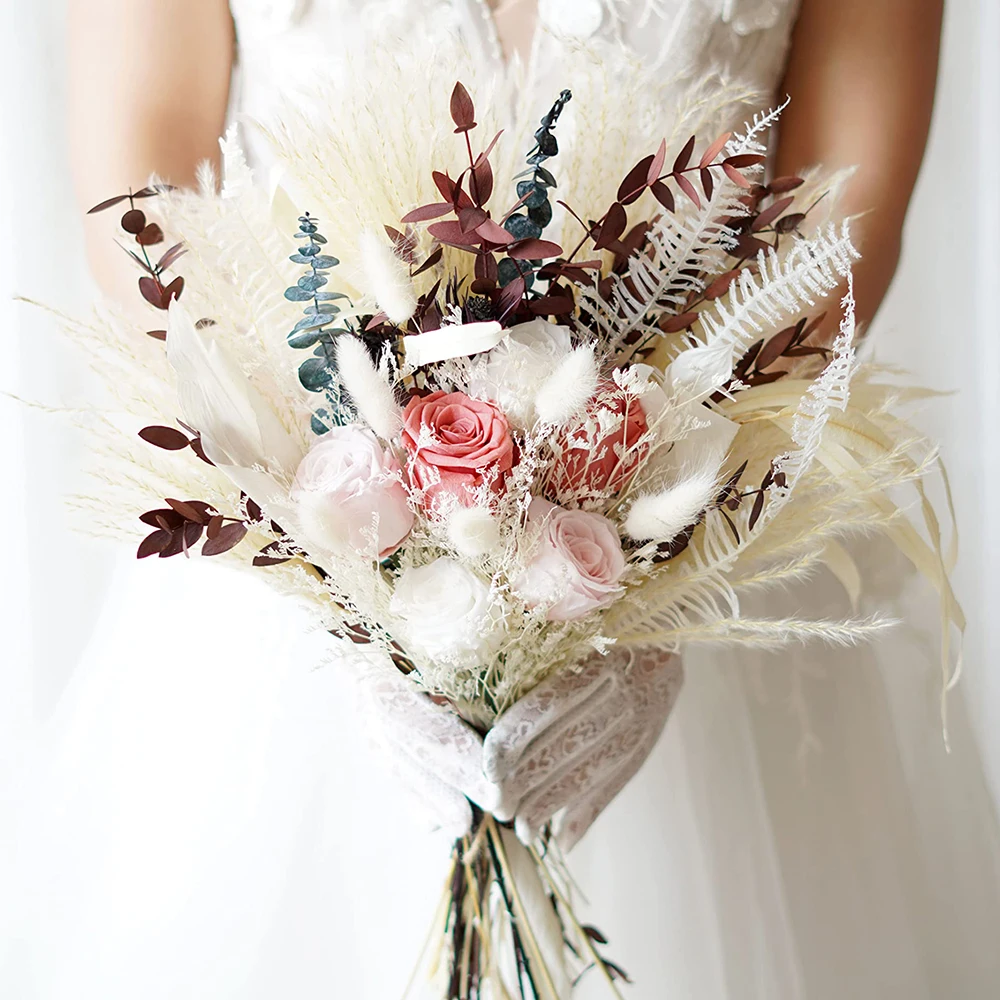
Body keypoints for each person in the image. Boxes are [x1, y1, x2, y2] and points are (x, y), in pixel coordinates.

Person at [36, 1, 997, 998]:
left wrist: (634, 536)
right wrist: (343, 550)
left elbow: (843, 193)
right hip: (291, 573)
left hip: (708, 545)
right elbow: (142, 175)